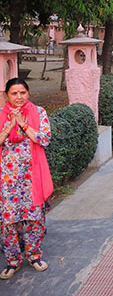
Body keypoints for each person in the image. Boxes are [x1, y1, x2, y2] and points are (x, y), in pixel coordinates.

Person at [0, 78, 53, 280]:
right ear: (7, 95)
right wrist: (9, 126)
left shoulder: (38, 113)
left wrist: (23, 124)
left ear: (28, 93)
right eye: (14, 93)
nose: (19, 97)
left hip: (32, 177)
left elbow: (44, 139)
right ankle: (12, 261)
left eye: (22, 92)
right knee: (9, 222)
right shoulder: (2, 115)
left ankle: (34, 256)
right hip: (8, 180)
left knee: (34, 219)